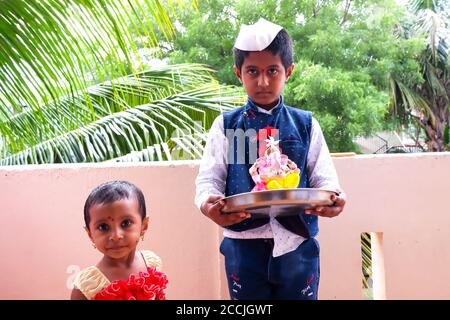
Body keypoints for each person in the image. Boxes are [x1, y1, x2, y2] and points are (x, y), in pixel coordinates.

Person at [195, 18, 346, 300]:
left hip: (297, 245)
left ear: (288, 71)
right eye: (252, 71)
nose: (262, 81)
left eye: (272, 71)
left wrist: (335, 199)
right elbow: (208, 181)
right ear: (238, 73)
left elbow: (325, 179)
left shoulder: (306, 124)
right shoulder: (226, 126)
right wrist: (208, 205)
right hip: (242, 245)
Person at [71, 181, 166, 300]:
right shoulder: (88, 287)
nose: (116, 236)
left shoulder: (151, 264)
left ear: (144, 226)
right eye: (103, 227)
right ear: (90, 234)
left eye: (126, 223)